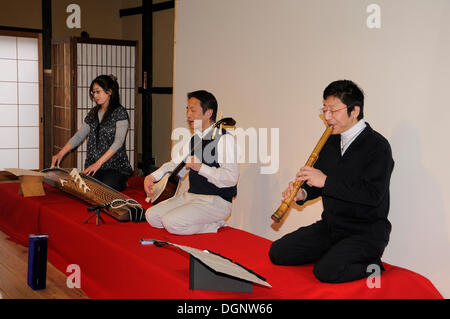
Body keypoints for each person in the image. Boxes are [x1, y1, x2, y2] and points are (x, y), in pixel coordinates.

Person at [269, 80, 394, 283]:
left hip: (365, 232)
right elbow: (319, 185)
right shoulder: (332, 140)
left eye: (333, 110)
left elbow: (372, 195)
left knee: (325, 272)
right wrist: (302, 194)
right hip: (332, 227)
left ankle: (373, 266)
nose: (327, 117)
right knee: (278, 253)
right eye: (324, 110)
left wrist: (326, 181)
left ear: (354, 110)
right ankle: (335, 252)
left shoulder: (377, 146)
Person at [144, 90, 239, 235]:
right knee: (152, 216)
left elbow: (231, 179)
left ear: (208, 113)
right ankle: (200, 222)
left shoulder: (226, 140)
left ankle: (214, 225)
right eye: (187, 109)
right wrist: (153, 177)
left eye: (193, 110)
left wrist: (201, 167)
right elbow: (176, 164)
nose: (188, 114)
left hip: (216, 201)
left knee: (171, 222)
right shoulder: (194, 140)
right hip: (191, 197)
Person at [51, 74, 133, 192]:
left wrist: (98, 163)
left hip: (115, 166)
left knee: (105, 188)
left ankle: (121, 182)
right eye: (93, 92)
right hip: (93, 164)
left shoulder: (120, 113)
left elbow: (118, 142)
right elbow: (79, 136)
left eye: (98, 92)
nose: (95, 95)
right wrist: (61, 153)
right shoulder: (93, 113)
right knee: (86, 188)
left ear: (109, 92)